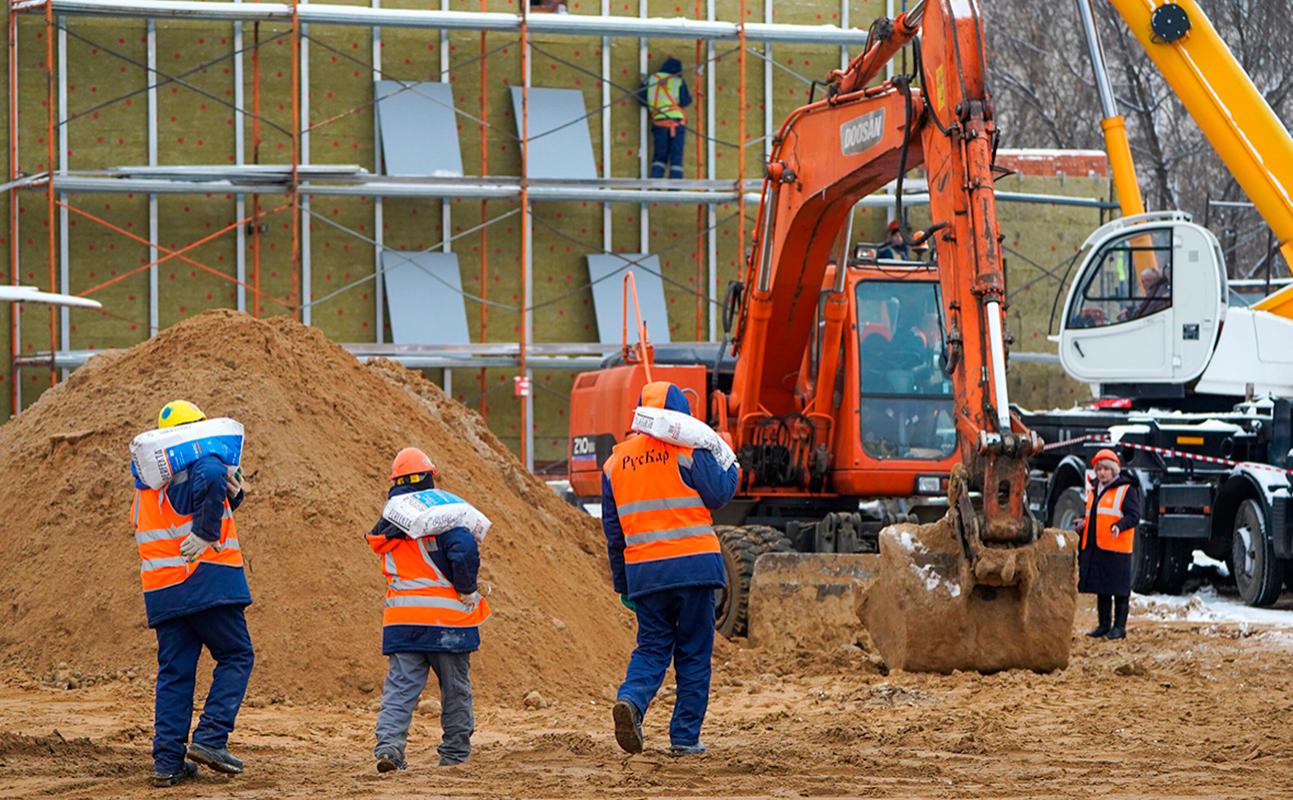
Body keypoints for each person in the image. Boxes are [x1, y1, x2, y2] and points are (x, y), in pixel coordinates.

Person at [601, 381, 739, 757]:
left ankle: (631, 701)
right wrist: (733, 466)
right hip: (695, 569)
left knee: (651, 648)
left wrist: (623, 585)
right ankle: (685, 739)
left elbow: (614, 534)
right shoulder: (689, 450)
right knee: (694, 652)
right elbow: (720, 494)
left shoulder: (615, 463)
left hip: (646, 574)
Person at [133, 400, 253, 787]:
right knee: (236, 655)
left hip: (163, 593)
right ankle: (210, 739)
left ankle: (167, 763)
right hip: (206, 581)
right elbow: (211, 477)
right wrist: (205, 532)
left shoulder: (149, 485)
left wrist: (231, 500)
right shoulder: (202, 461)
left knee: (176, 674)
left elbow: (189, 500)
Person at [369, 448, 490, 772]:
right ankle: (454, 754)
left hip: (403, 621)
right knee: (455, 690)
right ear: (429, 478)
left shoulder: (390, 521)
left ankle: (389, 748)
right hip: (447, 621)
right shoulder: (444, 514)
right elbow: (463, 550)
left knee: (400, 688)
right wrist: (466, 588)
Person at [1074, 448, 1141, 640]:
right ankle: (1104, 625)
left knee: (1119, 589)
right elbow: (1095, 515)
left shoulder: (1126, 489)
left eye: (1106, 469)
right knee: (1102, 587)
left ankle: (1119, 627)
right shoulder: (1095, 489)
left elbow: (1134, 516)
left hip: (1117, 547)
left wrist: (1120, 526)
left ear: (1113, 470)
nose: (1102, 473)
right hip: (1098, 546)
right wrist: (1083, 522)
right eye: (1099, 469)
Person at [639, 57, 692, 179]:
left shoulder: (651, 79)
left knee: (659, 156)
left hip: (659, 122)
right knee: (676, 156)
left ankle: (655, 186)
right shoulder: (678, 81)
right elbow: (685, 101)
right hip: (677, 123)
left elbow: (641, 99)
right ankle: (675, 189)